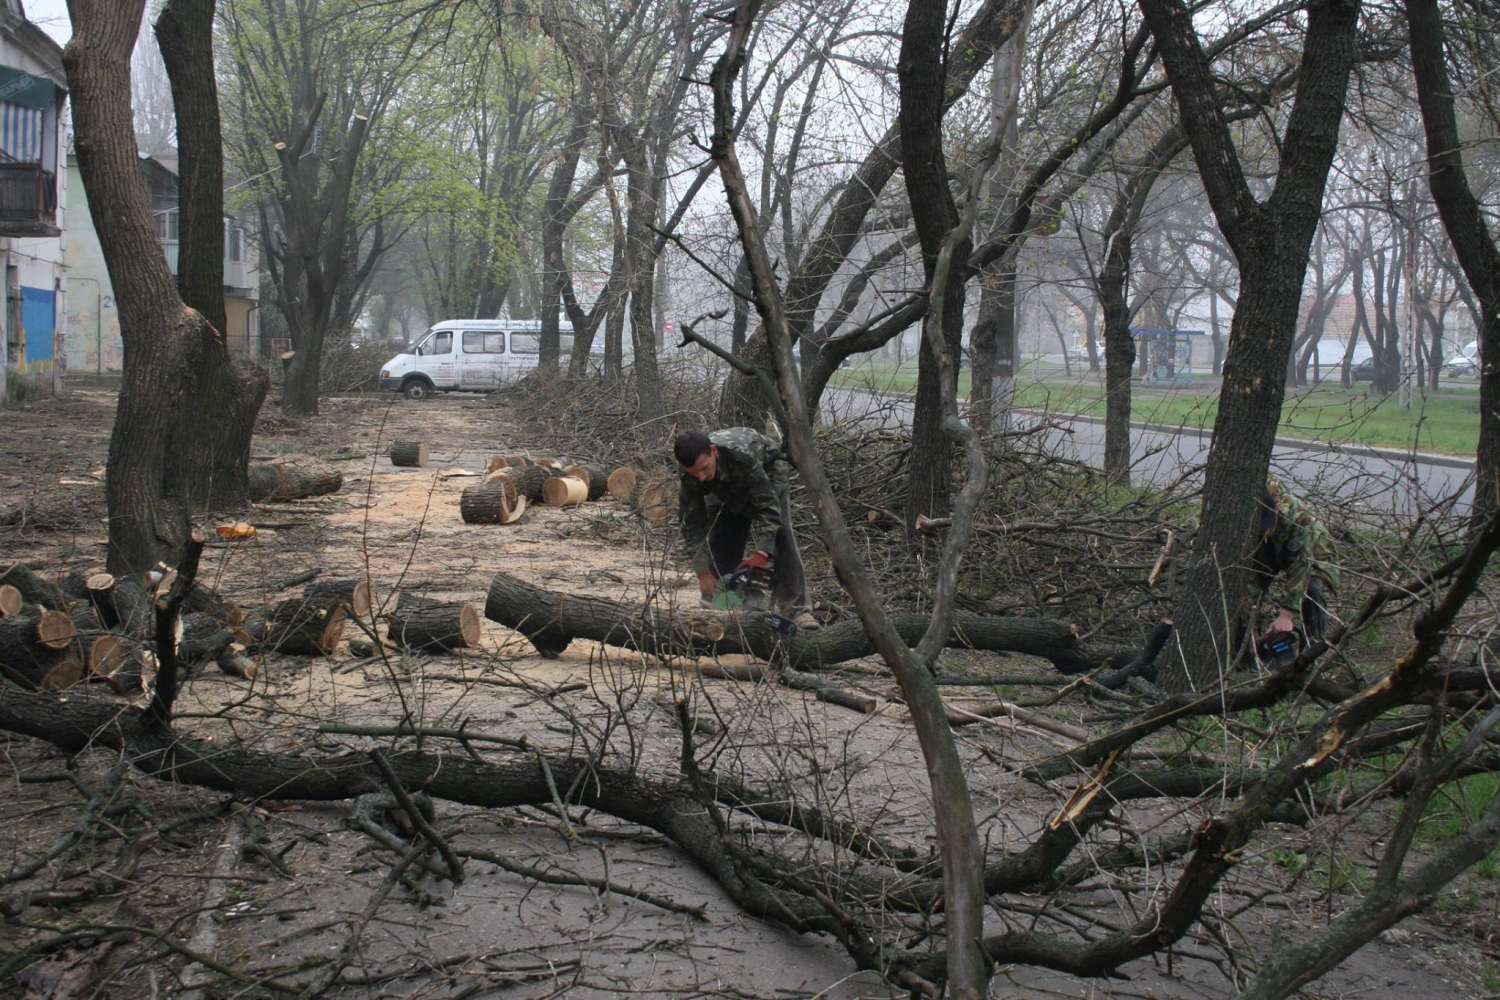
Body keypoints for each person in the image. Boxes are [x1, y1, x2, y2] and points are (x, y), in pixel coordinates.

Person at [674, 427, 817, 630]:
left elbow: (769, 508)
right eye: (694, 473)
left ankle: (799, 610)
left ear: (713, 451)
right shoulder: (691, 475)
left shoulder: (742, 456)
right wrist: (702, 572)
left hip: (766, 470)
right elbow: (692, 525)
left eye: (704, 468)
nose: (701, 478)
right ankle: (720, 600)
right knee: (723, 530)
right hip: (725, 480)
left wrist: (761, 553)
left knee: (781, 533)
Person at [1243, 477, 1338, 663]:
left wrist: (1286, 615)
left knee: (1313, 590)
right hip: (1269, 549)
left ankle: (1315, 649)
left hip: (1314, 550)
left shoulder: (1297, 520)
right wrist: (1251, 630)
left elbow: (1300, 567)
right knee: (1247, 591)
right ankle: (1255, 648)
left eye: (1267, 528)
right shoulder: (1247, 514)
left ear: (1276, 513)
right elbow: (1250, 582)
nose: (1265, 533)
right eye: (1261, 531)